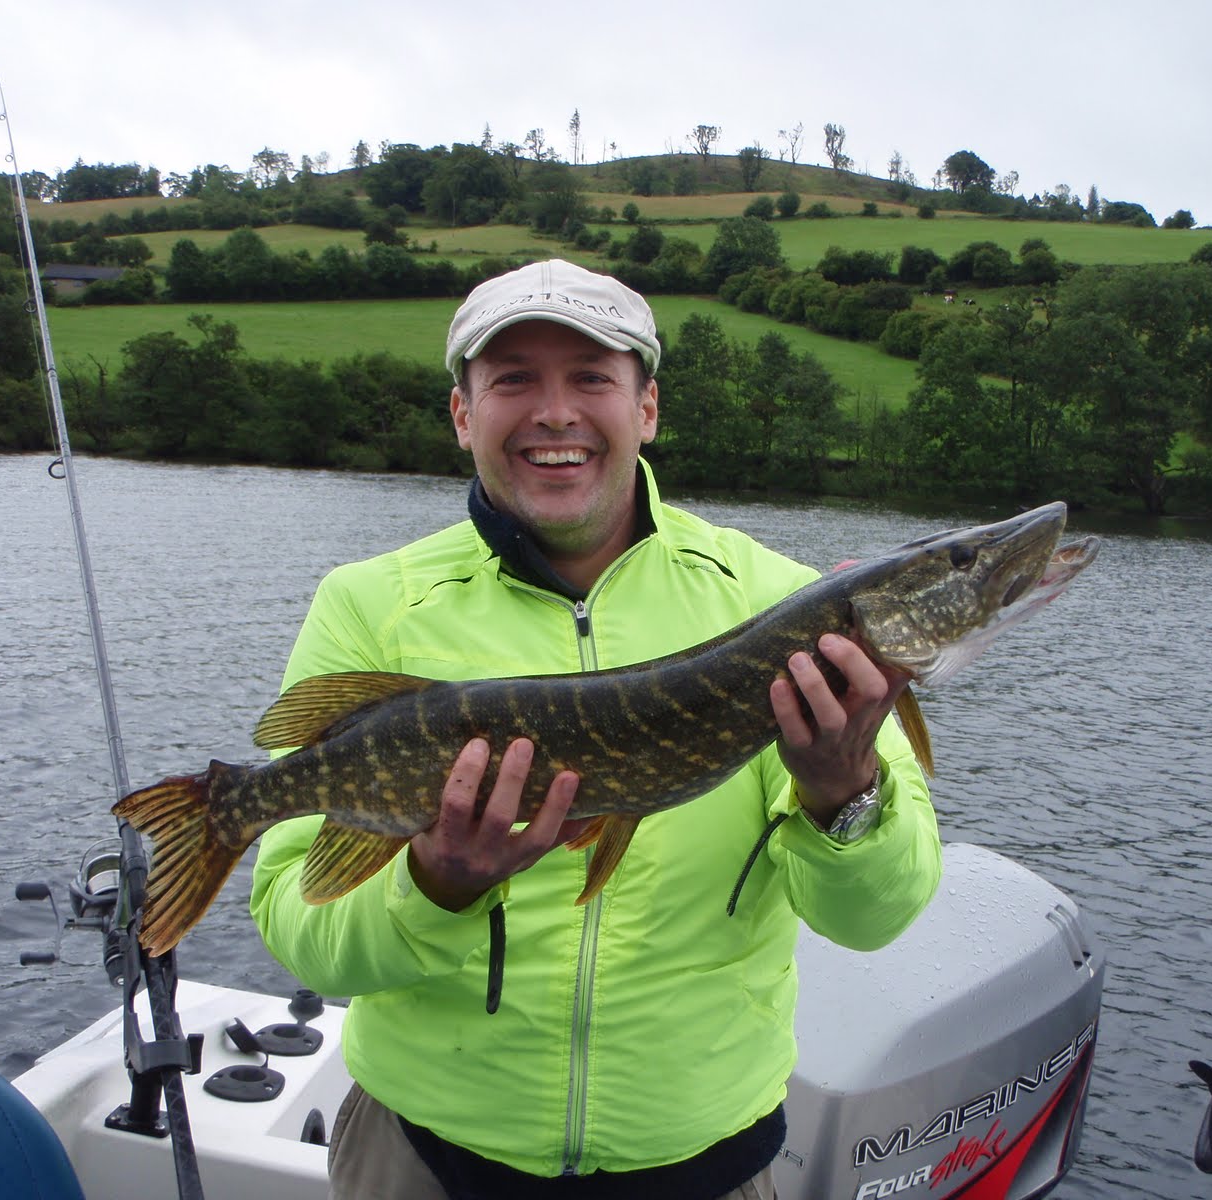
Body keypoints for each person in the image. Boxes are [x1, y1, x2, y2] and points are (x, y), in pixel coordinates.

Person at [250, 259, 942, 1200]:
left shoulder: (784, 608)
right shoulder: (370, 605)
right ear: (463, 415)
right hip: (424, 1162)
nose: (555, 412)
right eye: (513, 379)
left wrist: (843, 790)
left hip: (707, 1170)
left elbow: (875, 918)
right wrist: (434, 889)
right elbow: (303, 935)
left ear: (645, 407)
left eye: (590, 377)